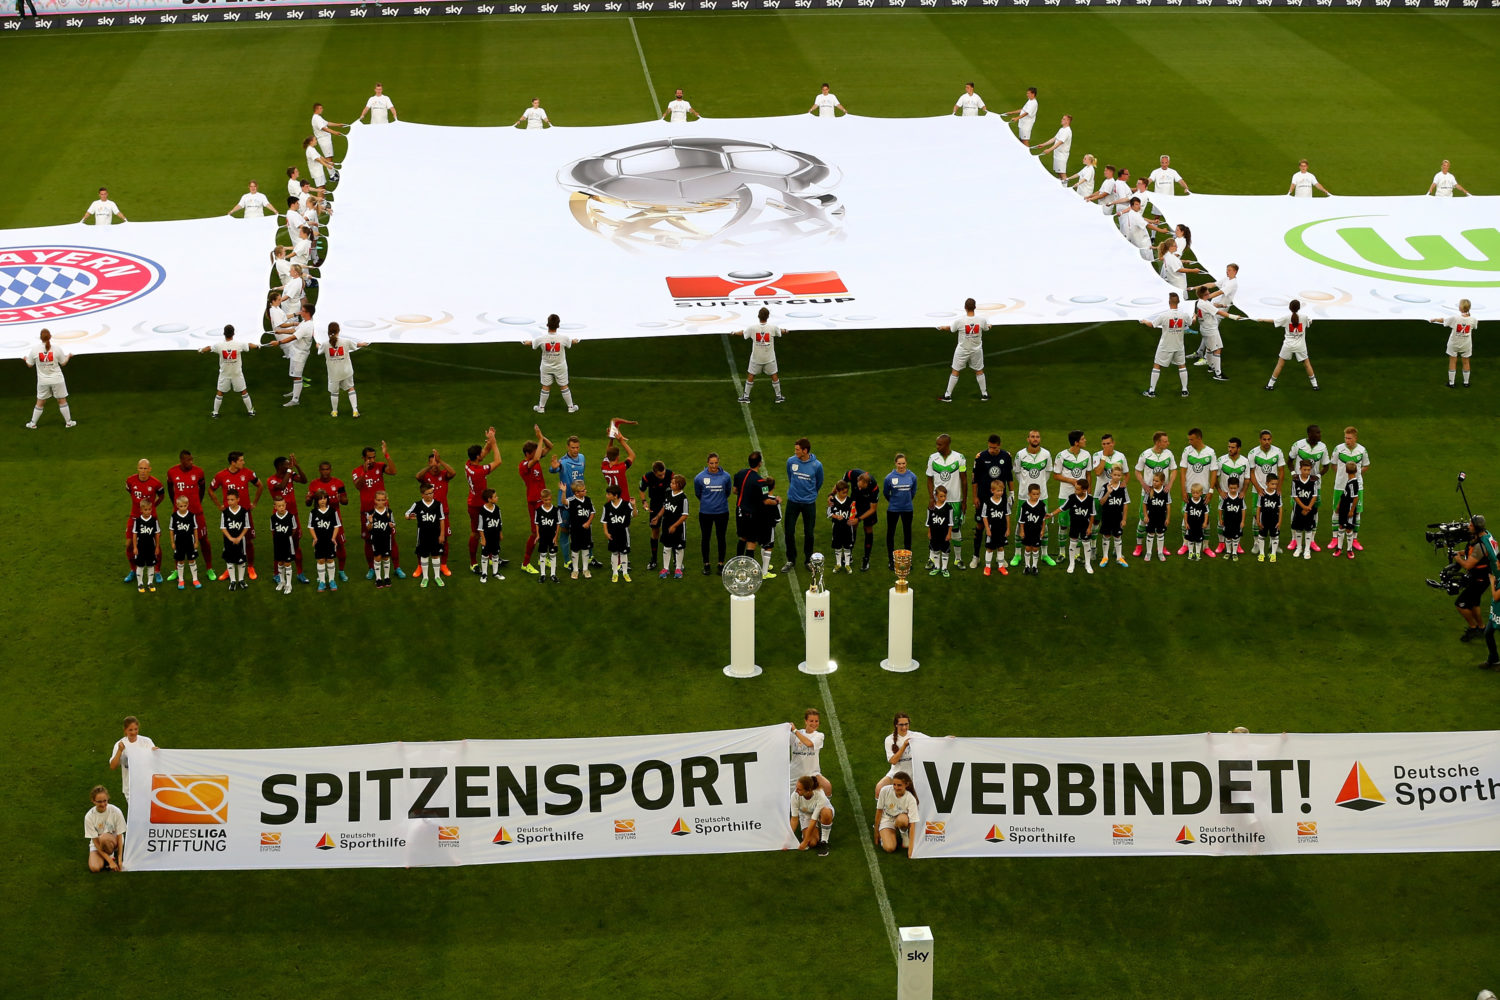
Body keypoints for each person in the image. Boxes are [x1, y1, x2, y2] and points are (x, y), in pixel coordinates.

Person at [209, 451, 262, 580]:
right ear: (233, 462)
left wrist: (254, 503)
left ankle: (250, 567)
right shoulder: (221, 475)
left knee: (248, 541)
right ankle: (229, 568)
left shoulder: (248, 473)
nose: (243, 462)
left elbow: (260, 485)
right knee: (229, 541)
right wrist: (219, 506)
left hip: (244, 513)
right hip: (229, 515)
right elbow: (211, 489)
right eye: (241, 460)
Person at [352, 443, 400, 579]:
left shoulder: (380, 466)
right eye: (369, 458)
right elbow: (358, 486)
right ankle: (372, 568)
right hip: (367, 511)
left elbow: (394, 471)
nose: (372, 460)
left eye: (373, 457)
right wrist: (364, 472)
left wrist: (387, 455)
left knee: (391, 537)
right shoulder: (356, 471)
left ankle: (397, 567)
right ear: (363, 458)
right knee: (368, 540)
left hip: (384, 511)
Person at [1450, 516, 1496, 644]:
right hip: (1482, 577)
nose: (1468, 526)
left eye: (1470, 525)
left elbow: (1468, 565)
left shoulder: (1480, 547)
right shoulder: (1485, 536)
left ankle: (1473, 627)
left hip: (1479, 580)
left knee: (1461, 604)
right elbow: (1470, 552)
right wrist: (1460, 552)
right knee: (1474, 603)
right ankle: (1482, 628)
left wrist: (1456, 557)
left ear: (1477, 528)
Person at [969, 435, 1012, 569]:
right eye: (990, 447)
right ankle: (976, 556)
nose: (992, 450)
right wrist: (975, 497)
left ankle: (1001, 559)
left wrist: (1011, 493)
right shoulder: (981, 457)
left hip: (1000, 497)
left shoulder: (1006, 456)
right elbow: (974, 479)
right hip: (983, 497)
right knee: (980, 526)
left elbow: (1009, 476)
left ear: (1000, 445)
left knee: (1000, 525)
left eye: (995, 447)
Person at [1010, 430, 1053, 567]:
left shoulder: (1046, 454)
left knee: (1043, 525)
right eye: (1033, 437)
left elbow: (1047, 473)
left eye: (1037, 437)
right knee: (1020, 524)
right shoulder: (1020, 455)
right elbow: (1017, 473)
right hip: (1024, 496)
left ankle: (1044, 555)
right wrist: (1025, 485)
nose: (1035, 439)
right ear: (1028, 439)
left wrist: (1040, 486)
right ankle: (1017, 554)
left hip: (1042, 496)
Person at [1285, 425, 1330, 554]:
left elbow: (1326, 465)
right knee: (1295, 509)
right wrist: (1293, 473)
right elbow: (1289, 461)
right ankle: (1294, 539)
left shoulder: (1323, 447)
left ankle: (1312, 541)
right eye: (1317, 432)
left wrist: (1318, 476)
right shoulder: (1298, 445)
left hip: (1314, 485)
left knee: (1314, 511)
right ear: (1310, 434)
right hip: (1299, 483)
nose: (1320, 434)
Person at [926, 435, 968, 569]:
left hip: (954, 500)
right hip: (937, 501)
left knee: (955, 529)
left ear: (947, 445)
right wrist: (932, 498)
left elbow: (964, 480)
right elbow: (929, 479)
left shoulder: (959, 458)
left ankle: (958, 559)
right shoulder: (933, 458)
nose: (937, 447)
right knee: (934, 528)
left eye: (940, 445)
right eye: (937, 444)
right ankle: (931, 559)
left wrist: (964, 500)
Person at [1327, 427, 1371, 553]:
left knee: (1357, 512)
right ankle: (1335, 538)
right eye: (1346, 438)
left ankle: (1355, 539)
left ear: (1355, 438)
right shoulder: (1338, 449)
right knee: (1336, 510)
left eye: (1350, 438)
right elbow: (1333, 464)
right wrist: (1341, 475)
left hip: (1358, 487)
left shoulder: (1362, 450)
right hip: (1340, 485)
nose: (1347, 441)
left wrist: (1358, 475)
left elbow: (1366, 465)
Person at [200, 324, 259, 418]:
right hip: (237, 374)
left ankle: (215, 412)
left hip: (224, 374)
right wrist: (257, 347)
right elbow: (249, 345)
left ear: (224, 334)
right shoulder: (239, 344)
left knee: (220, 392)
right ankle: (250, 411)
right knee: (244, 392)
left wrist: (201, 350)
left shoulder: (219, 345)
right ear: (233, 333)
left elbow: (209, 348)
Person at [783, 438, 824, 572]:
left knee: (809, 533)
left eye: (797, 449)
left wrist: (810, 494)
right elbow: (791, 477)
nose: (795, 452)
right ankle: (791, 560)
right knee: (788, 532)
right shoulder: (791, 461)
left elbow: (819, 482)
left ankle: (808, 560)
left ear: (805, 451)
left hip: (809, 503)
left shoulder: (817, 465)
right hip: (793, 501)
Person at [466, 428, 504, 573]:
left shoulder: (469, 464)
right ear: (477, 456)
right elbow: (498, 461)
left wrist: (490, 438)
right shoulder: (479, 471)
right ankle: (473, 562)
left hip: (474, 501)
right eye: (480, 453)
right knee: (476, 533)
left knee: (488, 531)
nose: (482, 453)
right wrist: (493, 444)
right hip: (477, 507)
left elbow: (484, 453)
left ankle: (490, 556)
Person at [1140, 292, 1192, 398]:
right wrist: (1195, 317)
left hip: (1165, 346)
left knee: (1157, 365)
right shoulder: (1184, 314)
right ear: (1178, 302)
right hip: (1179, 346)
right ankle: (1184, 390)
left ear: (1169, 302)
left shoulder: (1164, 315)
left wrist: (1145, 321)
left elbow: (1152, 325)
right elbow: (1191, 322)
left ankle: (1151, 391)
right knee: (1182, 366)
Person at [1259, 300, 1320, 391]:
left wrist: (1262, 319)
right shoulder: (1304, 317)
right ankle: (1315, 386)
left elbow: (1274, 321)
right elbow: (1310, 322)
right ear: (1299, 308)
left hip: (1288, 345)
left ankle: (1270, 385)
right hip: (1301, 346)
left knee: (1280, 365)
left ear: (1290, 308)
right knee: (1307, 364)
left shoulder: (1286, 318)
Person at [939, 297, 990, 402]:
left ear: (965, 308)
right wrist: (990, 326)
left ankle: (947, 395)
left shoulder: (960, 321)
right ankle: (984, 394)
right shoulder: (981, 320)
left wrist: (943, 327)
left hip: (962, 350)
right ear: (975, 307)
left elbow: (952, 329)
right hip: (976, 350)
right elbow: (986, 328)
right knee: (979, 370)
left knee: (955, 370)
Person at [524, 315, 579, 413]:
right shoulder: (564, 338)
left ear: (547, 325)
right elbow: (570, 342)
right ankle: (571, 407)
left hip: (546, 367)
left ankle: (541, 408)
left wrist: (525, 342)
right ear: (558, 325)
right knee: (564, 385)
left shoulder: (541, 339)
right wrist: (575, 341)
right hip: (560, 367)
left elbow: (532, 344)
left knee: (545, 386)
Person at [1051, 430, 1091, 564]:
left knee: (1079, 524)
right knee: (1063, 525)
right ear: (1076, 442)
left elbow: (1088, 475)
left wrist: (1088, 493)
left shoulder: (1086, 455)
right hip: (1065, 495)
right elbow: (1056, 475)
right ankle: (1062, 553)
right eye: (1083, 439)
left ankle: (1076, 554)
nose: (1085, 440)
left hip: (1082, 497)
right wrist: (1072, 481)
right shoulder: (1061, 456)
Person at [24, 329, 77, 430]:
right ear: (50, 336)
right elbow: (63, 363)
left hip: (43, 381)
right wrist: (69, 356)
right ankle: (69, 422)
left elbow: (29, 365)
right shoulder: (57, 348)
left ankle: (33, 423)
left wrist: (25, 359)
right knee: (62, 400)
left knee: (40, 402)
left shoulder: (35, 349)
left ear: (40, 337)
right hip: (57, 379)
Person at [1177, 428, 1219, 557]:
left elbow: (1214, 472)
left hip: (1204, 492)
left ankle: (1205, 546)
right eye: (1189, 439)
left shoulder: (1210, 452)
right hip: (1190, 491)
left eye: (1191, 439)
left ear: (1199, 438)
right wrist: (1184, 490)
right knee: (1186, 518)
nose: (1189, 442)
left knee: (1205, 519)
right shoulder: (1187, 451)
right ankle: (1185, 544)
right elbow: (1183, 471)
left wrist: (1211, 491)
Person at [416, 450, 458, 576]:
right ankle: (420, 566)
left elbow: (453, 472)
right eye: (432, 464)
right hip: (427, 514)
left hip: (443, 513)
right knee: (423, 541)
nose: (435, 467)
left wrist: (441, 461)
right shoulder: (426, 476)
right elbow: (418, 476)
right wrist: (430, 466)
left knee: (443, 539)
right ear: (429, 464)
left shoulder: (444, 475)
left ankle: (443, 565)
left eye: (436, 464)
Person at [123, 459, 165, 584]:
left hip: (150, 518)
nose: (143, 471)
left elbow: (161, 496)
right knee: (129, 545)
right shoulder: (130, 481)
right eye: (141, 468)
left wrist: (153, 507)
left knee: (154, 544)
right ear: (137, 469)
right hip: (134, 517)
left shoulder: (156, 483)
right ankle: (133, 570)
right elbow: (129, 491)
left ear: (150, 469)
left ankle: (157, 571)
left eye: (145, 468)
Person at [551, 434, 589, 569]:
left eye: (577, 447)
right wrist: (554, 466)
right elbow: (554, 469)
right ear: (568, 447)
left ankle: (589, 556)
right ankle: (567, 561)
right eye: (573, 447)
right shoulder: (563, 461)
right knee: (565, 531)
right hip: (565, 502)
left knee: (584, 528)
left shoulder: (582, 457)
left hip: (580, 500)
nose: (576, 450)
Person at [306, 461, 350, 578]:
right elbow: (308, 503)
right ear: (319, 470)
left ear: (331, 470)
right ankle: (322, 571)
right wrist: (309, 499)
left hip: (335, 519)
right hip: (320, 522)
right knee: (320, 545)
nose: (325, 472)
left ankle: (341, 571)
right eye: (323, 469)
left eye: (327, 469)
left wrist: (342, 498)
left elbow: (345, 501)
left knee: (340, 544)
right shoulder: (314, 484)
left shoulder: (338, 483)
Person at [271, 302, 318, 408]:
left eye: (302, 310)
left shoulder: (307, 326)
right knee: (294, 375)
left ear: (307, 313)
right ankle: (295, 392)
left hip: (300, 354)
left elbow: (293, 337)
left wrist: (278, 342)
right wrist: (280, 331)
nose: (300, 312)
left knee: (297, 376)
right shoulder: (304, 322)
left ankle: (295, 400)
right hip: (296, 352)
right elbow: (293, 330)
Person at [737, 307, 787, 403]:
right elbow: (780, 332)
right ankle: (778, 396)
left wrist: (733, 333)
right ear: (768, 316)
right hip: (769, 358)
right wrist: (786, 330)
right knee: (774, 375)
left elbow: (743, 333)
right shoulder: (773, 327)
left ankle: (746, 397)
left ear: (758, 316)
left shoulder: (752, 328)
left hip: (756, 358)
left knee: (751, 375)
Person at [695, 453, 732, 575]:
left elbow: (727, 492)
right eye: (711, 463)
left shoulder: (726, 477)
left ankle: (721, 564)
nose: (714, 465)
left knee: (721, 538)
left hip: (722, 512)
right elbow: (698, 493)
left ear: (719, 462)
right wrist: (708, 502)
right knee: (706, 538)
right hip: (705, 513)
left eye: (716, 463)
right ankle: (706, 564)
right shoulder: (699, 478)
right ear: (707, 463)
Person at [323, 324, 369, 418]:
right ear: (338, 331)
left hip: (333, 374)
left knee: (334, 392)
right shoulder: (346, 341)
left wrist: (316, 342)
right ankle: (355, 411)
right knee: (350, 388)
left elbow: (319, 349)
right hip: (346, 371)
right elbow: (357, 344)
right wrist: (364, 343)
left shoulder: (325, 344)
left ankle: (334, 412)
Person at [407, 481, 447, 588]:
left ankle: (437, 576)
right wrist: (409, 516)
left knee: (435, 555)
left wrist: (442, 534)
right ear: (422, 494)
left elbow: (442, 520)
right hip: (423, 535)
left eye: (432, 493)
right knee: (424, 555)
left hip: (435, 534)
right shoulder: (417, 504)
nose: (430, 495)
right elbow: (407, 513)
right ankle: (425, 577)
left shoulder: (438, 505)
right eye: (428, 493)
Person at [108, 716, 157, 802]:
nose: (134, 732)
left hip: (147, 786)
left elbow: (156, 761)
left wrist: (156, 753)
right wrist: (120, 751)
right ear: (125, 730)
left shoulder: (146, 742)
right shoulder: (120, 744)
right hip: (130, 789)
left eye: (136, 729)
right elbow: (113, 766)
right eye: (130, 730)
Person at [875, 714, 926, 796]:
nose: (904, 727)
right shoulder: (889, 739)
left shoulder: (916, 736)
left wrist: (946, 739)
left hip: (913, 773)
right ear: (896, 725)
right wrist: (904, 746)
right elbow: (893, 761)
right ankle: (882, 809)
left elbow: (933, 741)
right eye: (901, 725)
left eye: (906, 724)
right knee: (879, 788)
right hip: (897, 772)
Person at [733, 451, 770, 564]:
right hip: (752, 514)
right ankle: (749, 567)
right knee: (751, 541)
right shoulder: (761, 482)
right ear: (760, 463)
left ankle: (738, 562)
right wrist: (777, 501)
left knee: (742, 537)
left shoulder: (740, 473)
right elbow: (766, 501)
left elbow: (734, 491)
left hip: (739, 511)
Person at [882, 454, 918, 568]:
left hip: (907, 509)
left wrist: (906, 501)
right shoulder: (889, 477)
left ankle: (908, 560)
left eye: (903, 463)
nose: (901, 466)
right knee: (890, 534)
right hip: (893, 509)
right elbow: (886, 493)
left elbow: (913, 492)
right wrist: (894, 502)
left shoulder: (912, 476)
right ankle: (891, 560)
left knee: (907, 534)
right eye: (899, 463)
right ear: (895, 464)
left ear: (906, 463)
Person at [1056, 477, 1098, 575]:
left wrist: (1089, 527)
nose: (1075, 491)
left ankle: (1088, 564)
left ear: (1084, 490)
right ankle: (1072, 564)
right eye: (1075, 488)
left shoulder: (1090, 499)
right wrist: (1052, 514)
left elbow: (1092, 515)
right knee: (1073, 543)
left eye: (1077, 489)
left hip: (1085, 526)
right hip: (1074, 525)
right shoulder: (1072, 498)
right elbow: (1062, 508)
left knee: (1086, 544)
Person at [874, 772, 920, 858]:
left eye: (899, 785)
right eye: (894, 784)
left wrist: (911, 851)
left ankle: (904, 833)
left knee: (903, 819)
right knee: (889, 848)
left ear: (906, 785)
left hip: (901, 819)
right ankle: (885, 834)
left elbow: (913, 825)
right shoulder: (885, 791)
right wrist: (876, 831)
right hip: (886, 818)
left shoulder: (910, 799)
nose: (896, 787)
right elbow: (879, 811)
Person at [640, 460, 675, 572]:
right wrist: (644, 501)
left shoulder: (670, 474)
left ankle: (675, 559)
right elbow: (641, 489)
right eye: (660, 475)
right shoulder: (647, 477)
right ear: (654, 473)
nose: (663, 476)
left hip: (669, 503)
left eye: (664, 473)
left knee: (671, 529)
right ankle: (654, 559)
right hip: (655, 504)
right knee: (655, 530)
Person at [1431, 300, 1476, 388]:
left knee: (1452, 361)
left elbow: (1443, 320)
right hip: (1466, 344)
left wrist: (1434, 319)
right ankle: (1466, 382)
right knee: (1466, 362)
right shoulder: (1473, 319)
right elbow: (1474, 326)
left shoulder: (1455, 318)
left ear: (1460, 308)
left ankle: (1451, 383)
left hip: (1454, 343)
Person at [790, 774, 835, 858]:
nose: (796, 791)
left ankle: (824, 841)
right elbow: (794, 819)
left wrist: (805, 841)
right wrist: (788, 836)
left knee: (826, 813)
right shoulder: (794, 796)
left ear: (808, 790)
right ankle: (811, 836)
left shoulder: (820, 795)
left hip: (821, 810)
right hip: (806, 813)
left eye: (799, 789)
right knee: (812, 843)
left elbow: (813, 820)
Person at [789, 710, 832, 796]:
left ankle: (825, 806)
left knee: (827, 786)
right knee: (791, 801)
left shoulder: (819, 735)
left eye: (816, 721)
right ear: (806, 721)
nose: (814, 723)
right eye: (811, 721)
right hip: (794, 774)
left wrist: (794, 730)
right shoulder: (795, 734)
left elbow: (809, 744)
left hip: (812, 774)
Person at [309, 491, 344, 592]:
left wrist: (333, 538)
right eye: (320, 499)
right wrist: (315, 538)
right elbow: (311, 527)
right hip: (319, 541)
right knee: (320, 560)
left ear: (327, 499)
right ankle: (322, 581)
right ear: (317, 501)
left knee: (330, 560)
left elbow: (336, 526)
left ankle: (332, 580)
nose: (323, 501)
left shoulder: (333, 511)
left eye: (324, 498)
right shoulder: (313, 512)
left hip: (329, 540)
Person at [85, 787, 127, 873]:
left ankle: (112, 856)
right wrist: (110, 861)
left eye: (105, 800)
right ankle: (110, 859)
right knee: (95, 868)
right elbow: (96, 842)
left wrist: (119, 860)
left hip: (113, 841)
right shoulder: (89, 817)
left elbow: (119, 835)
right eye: (99, 802)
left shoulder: (116, 811)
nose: (103, 804)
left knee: (104, 838)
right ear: (93, 801)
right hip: (99, 844)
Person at [655, 475, 689, 580]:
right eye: (671, 483)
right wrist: (657, 517)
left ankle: (678, 568)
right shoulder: (668, 493)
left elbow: (685, 515)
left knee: (678, 548)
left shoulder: (683, 499)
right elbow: (665, 507)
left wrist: (674, 526)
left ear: (679, 485)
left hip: (678, 527)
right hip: (666, 525)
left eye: (673, 483)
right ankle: (665, 568)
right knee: (667, 546)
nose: (671, 484)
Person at [167, 495, 204, 590]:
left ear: (188, 505)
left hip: (189, 542)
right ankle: (181, 580)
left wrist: (196, 541)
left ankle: (195, 579)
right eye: (181, 506)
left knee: (192, 560)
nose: (183, 508)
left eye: (185, 506)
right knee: (180, 561)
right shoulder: (174, 516)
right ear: (177, 506)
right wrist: (172, 542)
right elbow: (171, 530)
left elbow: (195, 528)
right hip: (179, 542)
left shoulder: (191, 515)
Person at [1097, 467, 1131, 568]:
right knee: (1107, 535)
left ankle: (1119, 557)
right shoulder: (1105, 486)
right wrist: (1108, 492)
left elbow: (1125, 504)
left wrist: (1124, 519)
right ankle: (1105, 557)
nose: (1116, 477)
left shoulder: (1123, 488)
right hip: (1107, 516)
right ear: (1111, 475)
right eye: (1115, 475)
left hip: (1118, 517)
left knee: (1117, 536)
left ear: (1121, 476)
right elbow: (1101, 502)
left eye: (1119, 475)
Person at [1288, 459, 1321, 560]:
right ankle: (1299, 548)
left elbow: (1315, 495)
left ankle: (1307, 549)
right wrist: (1303, 507)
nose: (1307, 472)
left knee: (1308, 529)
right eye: (1305, 469)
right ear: (1300, 469)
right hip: (1299, 508)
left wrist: (1308, 507)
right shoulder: (1295, 480)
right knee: (1298, 529)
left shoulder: (1313, 480)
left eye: (1308, 470)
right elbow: (1294, 495)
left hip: (1310, 508)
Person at [602, 484, 634, 582]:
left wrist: (634, 505)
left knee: (624, 553)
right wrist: (606, 532)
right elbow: (604, 521)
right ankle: (615, 573)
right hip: (612, 533)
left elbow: (635, 514)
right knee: (614, 552)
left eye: (608, 494)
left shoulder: (626, 504)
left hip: (624, 533)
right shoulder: (607, 506)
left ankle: (625, 572)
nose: (607, 496)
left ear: (615, 496)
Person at [978, 478, 1010, 577]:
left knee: (1001, 547)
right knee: (990, 548)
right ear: (992, 491)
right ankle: (987, 567)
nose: (1000, 493)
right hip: (992, 530)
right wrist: (987, 528)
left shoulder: (1004, 502)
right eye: (998, 490)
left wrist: (1008, 528)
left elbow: (1007, 515)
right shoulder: (987, 502)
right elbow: (984, 516)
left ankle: (1001, 566)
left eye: (1002, 490)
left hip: (1001, 529)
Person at [221, 490, 251, 590]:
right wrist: (230, 538)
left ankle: (241, 580)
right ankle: (233, 581)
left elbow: (246, 526)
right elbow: (223, 527)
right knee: (229, 560)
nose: (230, 502)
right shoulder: (225, 512)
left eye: (232, 499)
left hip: (240, 541)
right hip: (228, 541)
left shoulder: (243, 511)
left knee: (241, 560)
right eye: (228, 500)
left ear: (238, 499)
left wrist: (239, 537)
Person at [367, 490, 397, 589]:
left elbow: (393, 523)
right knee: (377, 557)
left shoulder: (389, 511)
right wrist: (370, 522)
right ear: (375, 500)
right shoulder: (371, 513)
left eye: (382, 500)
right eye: (378, 500)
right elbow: (368, 528)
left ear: (386, 501)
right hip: (375, 539)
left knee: (386, 557)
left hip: (386, 538)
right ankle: (378, 578)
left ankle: (387, 577)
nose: (380, 502)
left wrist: (392, 525)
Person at [129, 500, 161, 593]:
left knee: (151, 565)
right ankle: (140, 583)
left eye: (149, 509)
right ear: (141, 510)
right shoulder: (138, 521)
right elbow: (135, 534)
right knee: (140, 565)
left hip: (151, 546)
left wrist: (157, 547)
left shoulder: (154, 521)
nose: (147, 511)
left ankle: (150, 582)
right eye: (145, 509)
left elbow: (157, 534)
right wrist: (135, 547)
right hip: (140, 547)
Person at [268, 496, 298, 595]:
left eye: (283, 505)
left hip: (288, 543)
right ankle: (282, 581)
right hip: (277, 543)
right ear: (275, 506)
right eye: (279, 506)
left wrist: (287, 536)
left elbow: (294, 529)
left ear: (285, 505)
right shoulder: (273, 518)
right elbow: (273, 530)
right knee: (280, 562)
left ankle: (289, 585)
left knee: (287, 563)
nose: (281, 507)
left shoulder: (290, 516)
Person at [531, 489, 561, 584]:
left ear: (551, 498)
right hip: (543, 537)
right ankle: (542, 574)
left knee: (552, 555)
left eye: (549, 499)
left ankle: (553, 574)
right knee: (543, 555)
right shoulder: (538, 511)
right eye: (546, 500)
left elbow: (558, 524)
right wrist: (538, 535)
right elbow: (537, 523)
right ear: (542, 499)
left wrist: (556, 537)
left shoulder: (556, 510)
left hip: (552, 536)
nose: (548, 502)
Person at [567, 481, 595, 580]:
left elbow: (592, 512)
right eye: (583, 490)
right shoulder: (571, 500)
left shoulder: (588, 500)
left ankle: (585, 569)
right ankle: (575, 570)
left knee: (585, 548)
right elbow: (563, 502)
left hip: (586, 530)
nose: (585, 491)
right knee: (575, 549)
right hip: (575, 530)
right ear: (577, 493)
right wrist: (563, 492)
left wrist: (588, 523)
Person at [1031, 114, 1073, 179]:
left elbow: (1059, 143)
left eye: (1064, 119)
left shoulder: (1067, 131)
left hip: (1062, 155)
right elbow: (1054, 139)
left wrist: (1049, 150)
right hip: (1057, 154)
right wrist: (1043, 144)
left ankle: (1065, 188)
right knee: (1058, 173)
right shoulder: (1062, 129)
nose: (1061, 120)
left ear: (1068, 121)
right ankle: (1060, 186)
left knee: (1062, 174)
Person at [476, 489, 505, 583]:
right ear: (489, 499)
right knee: (485, 555)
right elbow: (480, 527)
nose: (497, 498)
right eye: (495, 496)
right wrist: (483, 539)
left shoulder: (497, 509)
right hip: (486, 537)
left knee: (496, 554)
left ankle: (495, 572)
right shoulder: (482, 511)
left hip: (495, 536)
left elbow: (500, 523)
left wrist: (500, 534)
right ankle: (484, 574)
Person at [1142, 471, 1171, 563]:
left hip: (1161, 517)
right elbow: (1144, 504)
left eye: (1157, 481)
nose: (1154, 482)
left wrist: (1168, 518)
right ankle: (1149, 553)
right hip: (1151, 517)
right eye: (1153, 480)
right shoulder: (1149, 491)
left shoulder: (1165, 491)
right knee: (1150, 534)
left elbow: (1168, 505)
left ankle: (1160, 553)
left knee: (1160, 534)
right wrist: (1146, 516)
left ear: (1162, 482)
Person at [827, 479, 855, 573]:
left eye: (847, 492)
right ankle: (838, 564)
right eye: (843, 493)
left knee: (847, 546)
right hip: (836, 527)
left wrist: (852, 518)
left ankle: (847, 564)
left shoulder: (850, 501)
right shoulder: (832, 501)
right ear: (838, 491)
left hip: (847, 528)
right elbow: (829, 513)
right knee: (837, 546)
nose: (845, 494)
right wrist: (835, 516)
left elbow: (854, 513)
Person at [758, 478, 784, 578]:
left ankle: (765, 566)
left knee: (762, 545)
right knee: (768, 547)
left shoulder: (759, 498)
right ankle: (764, 572)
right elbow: (778, 518)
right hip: (768, 528)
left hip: (758, 526)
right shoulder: (774, 501)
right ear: (774, 486)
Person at [1218, 477, 1248, 562]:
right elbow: (1220, 509)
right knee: (1228, 537)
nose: (1233, 489)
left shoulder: (1240, 497)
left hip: (1237, 522)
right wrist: (1220, 519)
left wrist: (1242, 521)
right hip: (1227, 522)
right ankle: (1228, 552)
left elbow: (1243, 510)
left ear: (1238, 487)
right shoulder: (1225, 497)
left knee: (1235, 538)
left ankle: (1234, 553)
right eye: (1231, 488)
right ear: (1228, 487)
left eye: (1235, 488)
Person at [926, 486, 954, 578]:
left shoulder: (949, 508)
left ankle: (944, 568)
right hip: (934, 534)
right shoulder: (931, 508)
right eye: (941, 496)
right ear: (936, 496)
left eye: (945, 496)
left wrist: (949, 533)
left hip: (944, 534)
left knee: (945, 551)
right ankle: (937, 567)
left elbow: (950, 522)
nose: (943, 498)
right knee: (935, 550)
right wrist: (929, 532)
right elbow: (929, 521)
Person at [1255, 475, 1284, 562]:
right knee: (1261, 536)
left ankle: (1273, 554)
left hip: (1274, 520)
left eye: (1276, 484)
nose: (1274, 486)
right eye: (1272, 484)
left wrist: (1280, 521)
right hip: (1264, 519)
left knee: (1275, 536)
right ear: (1267, 483)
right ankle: (1262, 553)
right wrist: (1258, 520)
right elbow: (1258, 508)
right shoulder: (1262, 494)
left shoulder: (1278, 494)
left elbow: (1280, 508)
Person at [1183, 484, 1211, 561]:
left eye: (1197, 493)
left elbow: (1206, 513)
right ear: (1191, 492)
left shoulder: (1203, 503)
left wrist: (1205, 522)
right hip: (1191, 525)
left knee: (1199, 540)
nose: (1195, 495)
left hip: (1199, 526)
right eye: (1193, 493)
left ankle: (1198, 553)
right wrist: (1186, 523)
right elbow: (1185, 513)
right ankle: (1191, 553)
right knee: (1191, 540)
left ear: (1201, 493)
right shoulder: (1188, 503)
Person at [1119, 197, 1153, 262]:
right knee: (1146, 257)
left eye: (1139, 204)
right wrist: (1161, 230)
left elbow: (1142, 218)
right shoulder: (1135, 215)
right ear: (1132, 206)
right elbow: (1147, 225)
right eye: (1137, 204)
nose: (1139, 206)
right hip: (1141, 240)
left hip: (1135, 238)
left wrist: (1153, 221)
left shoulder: (1133, 212)